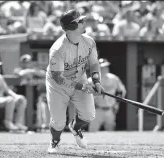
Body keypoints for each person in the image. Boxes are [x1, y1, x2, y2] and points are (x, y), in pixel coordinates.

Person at [46, 9, 104, 154]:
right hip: (57, 85)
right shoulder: (58, 49)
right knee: (59, 122)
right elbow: (58, 77)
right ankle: (55, 142)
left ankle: (76, 127)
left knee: (89, 115)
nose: (84, 23)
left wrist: (96, 82)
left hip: (80, 78)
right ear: (71, 26)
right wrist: (82, 87)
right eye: (80, 21)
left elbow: (94, 64)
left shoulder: (89, 41)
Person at [89, 58, 126, 132]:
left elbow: (122, 91)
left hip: (110, 109)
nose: (105, 69)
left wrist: (117, 103)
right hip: (97, 109)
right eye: (102, 67)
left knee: (110, 132)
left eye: (106, 67)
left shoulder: (114, 79)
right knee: (92, 131)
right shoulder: (91, 81)